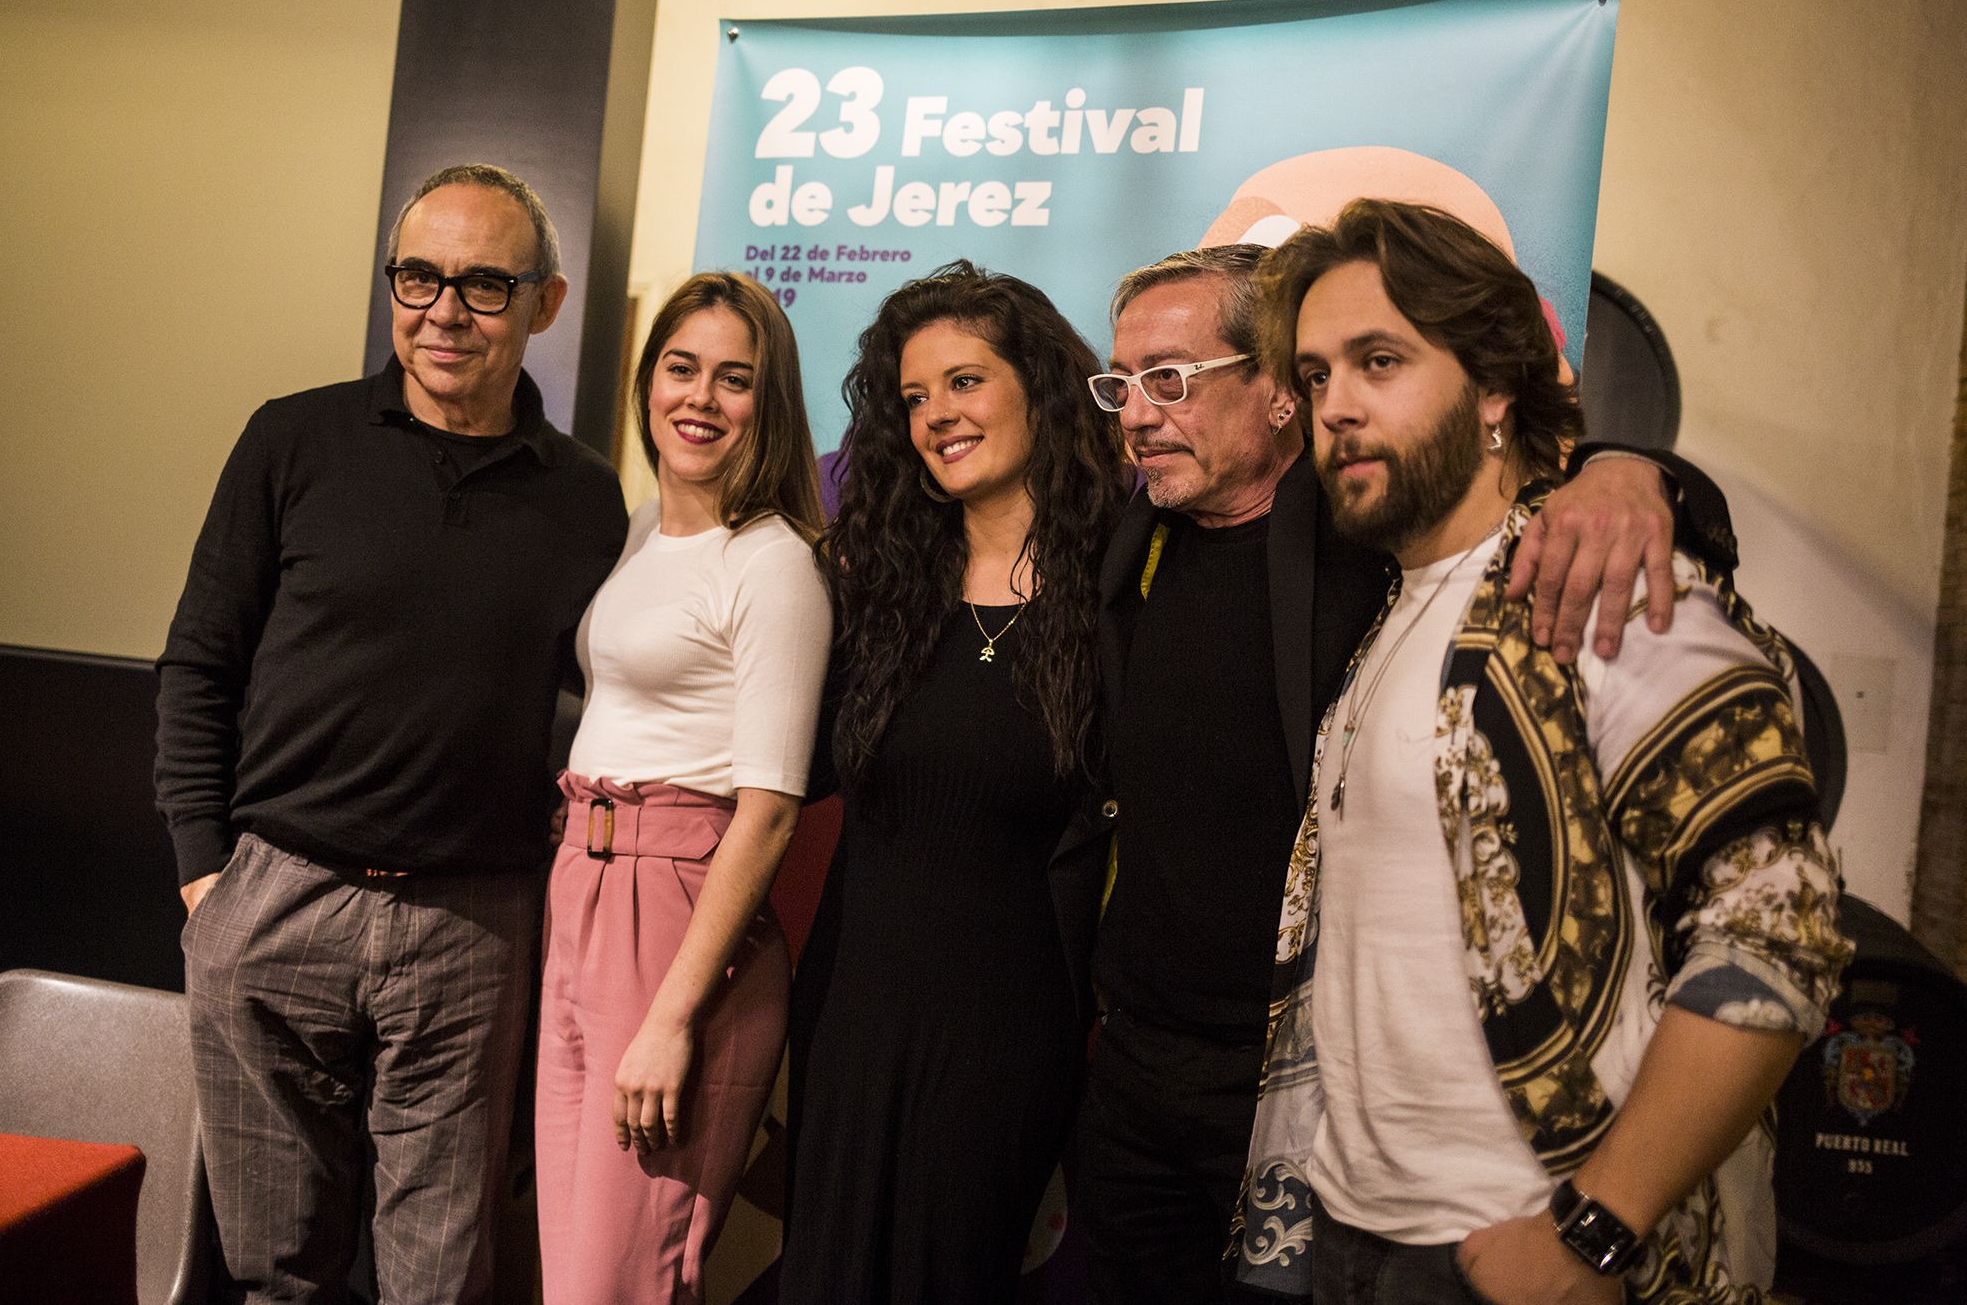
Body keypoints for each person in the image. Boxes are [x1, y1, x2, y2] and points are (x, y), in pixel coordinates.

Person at [1062, 239, 1733, 1304]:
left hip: (1312, 1086)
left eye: (1171, 379)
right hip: (1142, 1069)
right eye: (1122, 383)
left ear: (1271, 396)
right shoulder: (1126, 537)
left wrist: (1627, 469)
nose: (1137, 412)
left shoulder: (1371, 540)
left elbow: (1762, 931)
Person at [1233, 198, 1852, 1303]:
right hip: (1346, 1225)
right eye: (1318, 375)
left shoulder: (1603, 590)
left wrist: (1594, 1231)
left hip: (1515, 1250)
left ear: (1491, 389)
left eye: (1379, 361)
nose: (1336, 407)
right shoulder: (1395, 608)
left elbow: (1778, 929)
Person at [156, 163, 627, 1302]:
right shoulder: (292, 441)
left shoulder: (585, 498)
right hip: (275, 896)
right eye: (417, 276)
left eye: (482, 284)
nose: (443, 312)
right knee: (274, 1272)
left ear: (544, 304)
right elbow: (199, 662)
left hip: (470, 922)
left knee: (440, 1277)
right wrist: (204, 880)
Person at [780, 262, 1125, 1303]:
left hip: (1005, 1038)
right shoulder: (874, 582)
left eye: (964, 382)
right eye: (913, 397)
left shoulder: (1120, 585)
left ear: (1041, 388)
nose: (936, 416)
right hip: (849, 1013)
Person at [533, 270, 831, 1305]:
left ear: (771, 402)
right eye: (681, 367)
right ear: (647, 380)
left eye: (734, 378)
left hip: (675, 910)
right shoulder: (642, 528)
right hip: (581, 881)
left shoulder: (773, 559)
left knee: (619, 1280)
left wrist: (671, 1016)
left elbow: (772, 806)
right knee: (570, 1270)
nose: (700, 397)